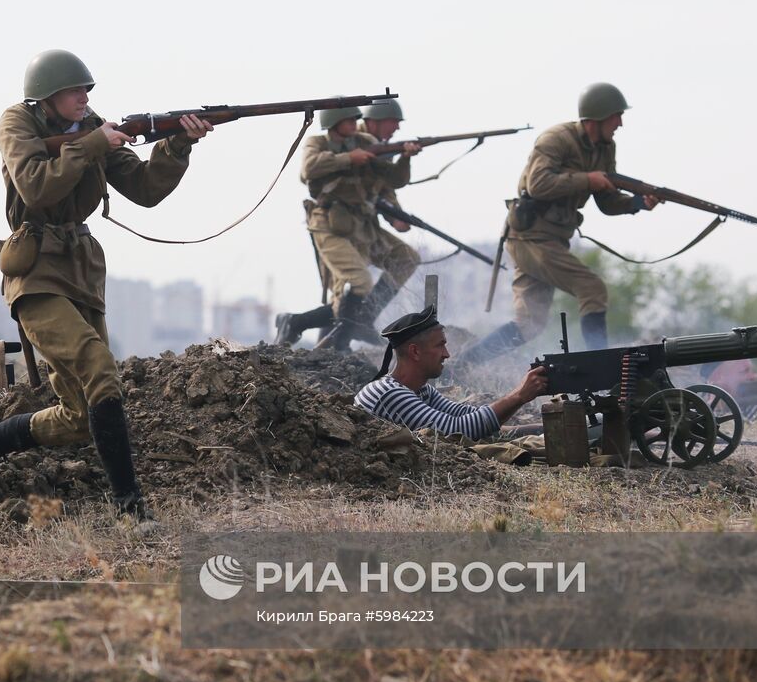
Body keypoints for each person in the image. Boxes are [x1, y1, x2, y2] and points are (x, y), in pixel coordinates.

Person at [0, 49, 210, 526]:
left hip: (81, 272)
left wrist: (177, 145)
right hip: (36, 273)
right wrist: (91, 144)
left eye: (88, 90)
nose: (85, 97)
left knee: (77, 416)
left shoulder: (94, 125)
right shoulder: (17, 123)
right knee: (99, 368)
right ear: (48, 94)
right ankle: (131, 508)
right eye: (76, 90)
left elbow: (146, 189)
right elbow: (36, 187)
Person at [463, 82, 658, 364]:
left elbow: (607, 201)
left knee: (529, 324)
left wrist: (638, 203)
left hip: (552, 241)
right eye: (616, 116)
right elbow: (538, 184)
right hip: (530, 237)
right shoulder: (555, 139)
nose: (620, 123)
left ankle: (465, 364)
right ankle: (600, 365)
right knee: (592, 289)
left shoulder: (605, 148)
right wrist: (587, 179)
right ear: (598, 117)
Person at [274, 99, 421, 350]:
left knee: (404, 258)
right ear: (334, 123)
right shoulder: (318, 144)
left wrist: (405, 158)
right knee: (354, 286)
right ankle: (334, 342)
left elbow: (391, 181)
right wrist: (348, 159)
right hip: (331, 225)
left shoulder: (367, 145)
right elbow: (308, 169)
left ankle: (356, 320)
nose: (356, 124)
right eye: (351, 120)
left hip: (363, 225)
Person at [356, 307, 548, 438]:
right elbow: (457, 430)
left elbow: (467, 415)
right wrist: (520, 395)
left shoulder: (421, 390)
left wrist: (539, 429)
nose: (447, 354)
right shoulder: (389, 393)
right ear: (415, 351)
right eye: (440, 346)